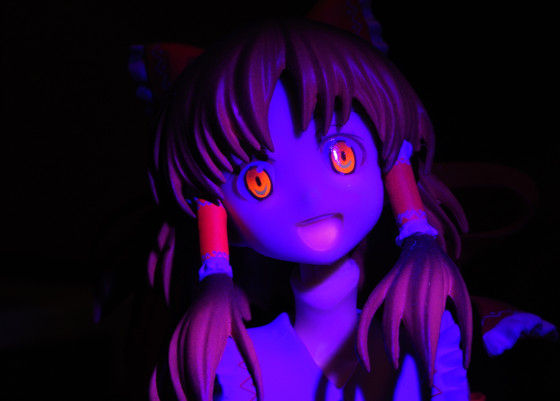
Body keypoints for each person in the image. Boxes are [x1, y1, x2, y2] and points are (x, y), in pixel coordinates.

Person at [145, 18, 473, 401]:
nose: (310, 198)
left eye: (342, 155)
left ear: (390, 159)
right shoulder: (236, 364)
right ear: (215, 213)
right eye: (258, 181)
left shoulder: (429, 333)